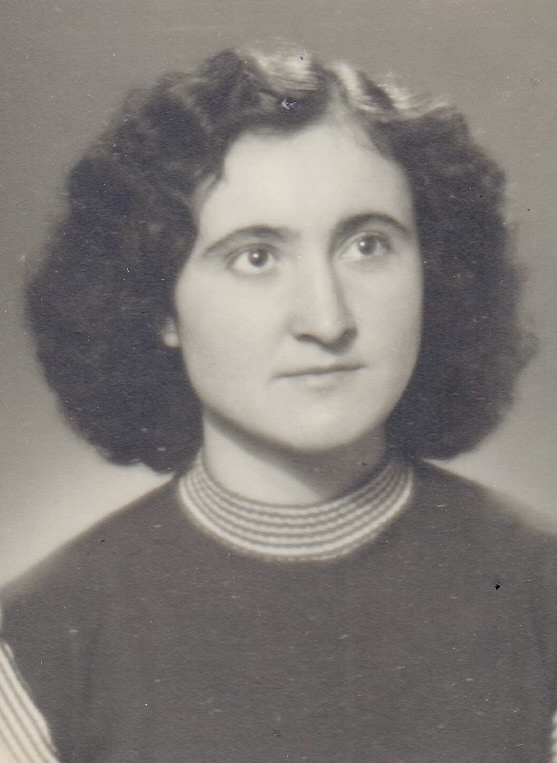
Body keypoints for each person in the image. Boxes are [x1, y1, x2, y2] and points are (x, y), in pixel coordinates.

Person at [0, 46, 552, 762]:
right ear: (157, 305)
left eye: (367, 245)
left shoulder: (541, 590)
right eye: (255, 257)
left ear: (433, 268)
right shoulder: (40, 643)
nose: (326, 319)